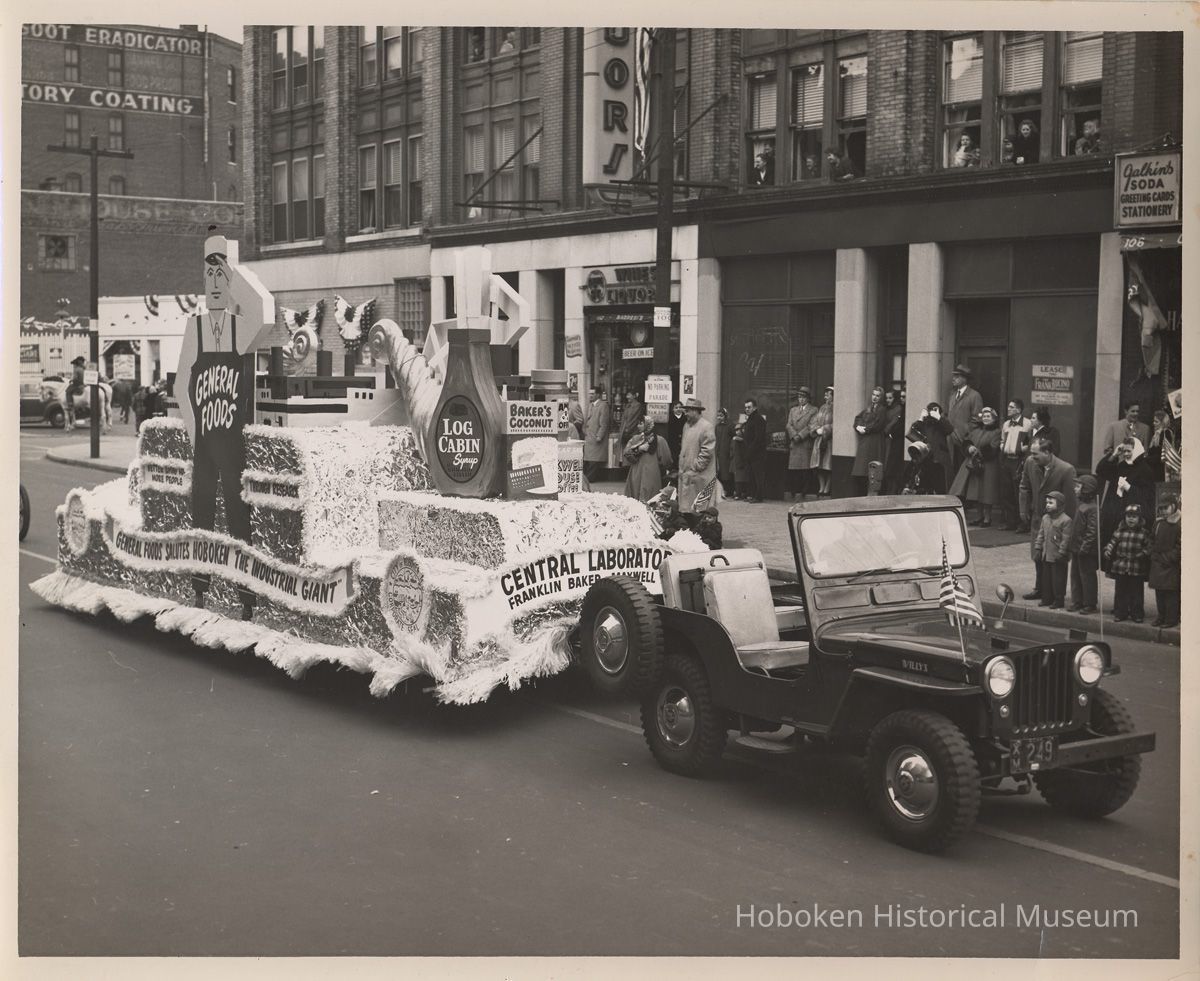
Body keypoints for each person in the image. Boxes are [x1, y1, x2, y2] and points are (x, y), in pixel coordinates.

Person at [175, 232, 274, 618]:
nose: (215, 285)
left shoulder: (240, 328)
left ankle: (246, 600)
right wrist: (194, 430)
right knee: (202, 516)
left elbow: (265, 311)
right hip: (205, 439)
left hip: (233, 440)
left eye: (222, 277)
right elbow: (181, 385)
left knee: (238, 519)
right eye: (209, 276)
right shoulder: (195, 328)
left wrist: (236, 272)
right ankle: (200, 591)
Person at [1018, 437, 1078, 601]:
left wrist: (1067, 525)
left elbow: (1071, 501)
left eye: (1035, 454)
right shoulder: (1030, 463)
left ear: (1047, 452)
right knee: (1038, 554)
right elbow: (1024, 486)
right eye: (1031, 453)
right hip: (1038, 518)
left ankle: (1055, 593)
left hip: (1058, 522)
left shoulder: (1066, 470)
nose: (1032, 456)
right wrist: (1023, 509)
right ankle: (1040, 588)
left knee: (1056, 557)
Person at [1095, 436, 1157, 551]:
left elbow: (1148, 497)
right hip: (1114, 515)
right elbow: (1101, 471)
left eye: (1129, 451)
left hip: (1130, 518)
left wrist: (1129, 488)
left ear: (1136, 450)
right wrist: (1114, 455)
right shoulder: (1121, 466)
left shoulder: (1145, 470)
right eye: (1124, 451)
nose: (1126, 454)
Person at [949, 407, 1002, 526]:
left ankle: (987, 518)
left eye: (988, 416)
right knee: (977, 492)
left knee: (987, 493)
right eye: (984, 416)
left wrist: (979, 451)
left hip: (988, 465)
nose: (986, 418)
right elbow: (967, 441)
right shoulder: (976, 431)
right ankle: (979, 516)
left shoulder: (996, 432)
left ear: (993, 418)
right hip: (975, 464)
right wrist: (969, 448)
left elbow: (994, 448)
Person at [1104, 504, 1151, 623]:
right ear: (1125, 517)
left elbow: (1149, 547)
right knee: (1121, 592)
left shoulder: (1144, 533)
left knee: (1137, 592)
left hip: (1136, 567)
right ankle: (1121, 613)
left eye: (1134, 516)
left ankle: (1137, 614)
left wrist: (1142, 554)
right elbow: (1112, 543)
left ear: (1139, 519)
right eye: (1129, 516)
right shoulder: (1119, 531)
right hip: (1121, 566)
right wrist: (1108, 550)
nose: (1131, 519)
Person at [677, 397, 721, 516]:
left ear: (696, 411)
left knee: (700, 508)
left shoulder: (706, 427)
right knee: (687, 508)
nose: (686, 414)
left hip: (699, 476)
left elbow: (707, 451)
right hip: (687, 474)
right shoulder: (686, 426)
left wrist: (695, 467)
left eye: (688, 411)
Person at [1067, 475, 1101, 615]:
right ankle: (1077, 601)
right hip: (1077, 548)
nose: (1075, 489)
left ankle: (1090, 603)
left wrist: (1085, 547)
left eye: (1078, 486)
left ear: (1086, 489)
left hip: (1086, 550)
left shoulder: (1092, 508)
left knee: (1087, 577)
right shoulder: (1082, 505)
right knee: (1075, 575)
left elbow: (1092, 531)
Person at [1034, 490, 1074, 609]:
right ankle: (1047, 598)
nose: (1047, 505)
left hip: (1058, 556)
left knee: (1058, 579)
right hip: (1047, 554)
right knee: (1046, 578)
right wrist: (1038, 547)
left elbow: (1066, 539)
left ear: (1060, 505)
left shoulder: (1066, 520)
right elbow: (1041, 534)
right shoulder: (1045, 518)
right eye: (1047, 502)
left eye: (1051, 503)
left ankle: (1058, 600)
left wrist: (1062, 552)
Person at [622, 414, 673, 503]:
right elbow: (626, 453)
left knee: (650, 500)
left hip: (651, 474)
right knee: (635, 497)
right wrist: (639, 449)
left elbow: (667, 460)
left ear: (648, 425)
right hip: (636, 473)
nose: (638, 426)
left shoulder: (659, 440)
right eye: (638, 424)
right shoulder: (636, 439)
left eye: (641, 423)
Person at [999, 399, 1032, 531]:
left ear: (1018, 410)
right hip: (1007, 460)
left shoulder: (1028, 424)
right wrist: (1003, 447)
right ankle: (1010, 522)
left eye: (1011, 407)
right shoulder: (1006, 424)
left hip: (1019, 460)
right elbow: (1002, 439)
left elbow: (1030, 442)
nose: (1008, 409)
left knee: (1018, 491)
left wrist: (1023, 450)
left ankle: (1022, 523)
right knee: (1007, 492)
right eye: (1009, 406)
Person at [1149, 492, 1181, 628]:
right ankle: (1161, 616)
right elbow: (1151, 539)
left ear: (1173, 506)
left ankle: (1171, 619)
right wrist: (1152, 552)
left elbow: (1180, 546)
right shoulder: (1158, 523)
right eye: (1160, 508)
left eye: (1165, 507)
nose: (1162, 511)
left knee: (1171, 594)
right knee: (1159, 593)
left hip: (1170, 565)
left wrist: (1168, 558)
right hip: (1157, 563)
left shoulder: (1179, 524)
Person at [906, 402, 954, 494]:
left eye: (935, 409)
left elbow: (949, 429)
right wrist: (921, 418)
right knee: (926, 487)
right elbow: (912, 432)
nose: (932, 412)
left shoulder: (942, 422)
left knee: (941, 487)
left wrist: (939, 417)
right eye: (930, 410)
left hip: (939, 460)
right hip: (926, 459)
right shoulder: (925, 423)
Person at [946, 363, 983, 476]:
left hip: (965, 442)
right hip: (951, 440)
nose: (953, 379)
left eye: (957, 376)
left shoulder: (974, 396)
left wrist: (966, 433)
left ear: (964, 379)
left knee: (963, 473)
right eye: (954, 376)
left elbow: (977, 419)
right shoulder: (952, 395)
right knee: (951, 470)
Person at [851, 386, 888, 496]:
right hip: (865, 441)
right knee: (861, 471)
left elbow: (878, 424)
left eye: (877, 395)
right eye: (873, 395)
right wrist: (857, 427)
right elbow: (858, 418)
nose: (875, 397)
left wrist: (865, 429)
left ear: (881, 398)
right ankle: (861, 495)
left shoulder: (882, 410)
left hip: (874, 441)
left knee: (872, 470)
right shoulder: (868, 408)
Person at [786, 387, 818, 501]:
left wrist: (800, 436)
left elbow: (811, 425)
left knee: (804, 470)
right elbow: (789, 424)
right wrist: (794, 435)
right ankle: (794, 491)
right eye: (799, 397)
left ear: (808, 398)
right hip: (794, 443)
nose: (801, 399)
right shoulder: (793, 410)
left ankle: (804, 492)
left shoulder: (813, 410)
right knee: (794, 470)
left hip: (805, 443)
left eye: (803, 397)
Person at [582, 386, 610, 483]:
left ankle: (589, 479)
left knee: (593, 460)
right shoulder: (591, 405)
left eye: (592, 393)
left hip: (595, 437)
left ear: (598, 395)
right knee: (588, 459)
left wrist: (599, 436)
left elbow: (604, 423)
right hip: (589, 436)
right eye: (589, 393)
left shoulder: (603, 406)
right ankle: (586, 479)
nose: (590, 395)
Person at [810, 387, 834, 497]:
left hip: (829, 441)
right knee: (818, 465)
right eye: (825, 395)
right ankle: (821, 486)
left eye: (828, 395)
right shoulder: (822, 407)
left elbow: (837, 423)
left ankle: (827, 487)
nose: (825, 397)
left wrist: (825, 429)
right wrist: (816, 429)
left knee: (827, 466)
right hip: (819, 440)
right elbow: (814, 421)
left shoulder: (835, 408)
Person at [742, 396, 767, 503]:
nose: (747, 409)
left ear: (755, 408)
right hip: (751, 452)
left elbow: (758, 438)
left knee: (758, 476)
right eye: (746, 407)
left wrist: (750, 451)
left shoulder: (758, 419)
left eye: (749, 407)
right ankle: (752, 495)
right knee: (752, 475)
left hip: (757, 453)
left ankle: (758, 497)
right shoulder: (750, 419)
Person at [882, 389, 906, 494]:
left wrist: (888, 431)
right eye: (886, 398)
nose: (888, 400)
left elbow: (894, 423)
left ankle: (892, 491)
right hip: (889, 440)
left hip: (895, 441)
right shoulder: (887, 409)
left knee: (892, 467)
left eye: (890, 398)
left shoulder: (899, 409)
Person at [1145, 409, 1176, 482]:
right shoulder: (1157, 435)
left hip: (1161, 469)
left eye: (1156, 421)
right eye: (1154, 421)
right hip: (1154, 468)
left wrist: (1146, 459)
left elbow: (1163, 454)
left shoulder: (1166, 433)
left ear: (1163, 423)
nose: (1153, 423)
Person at [714, 407, 735, 497]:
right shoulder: (717, 427)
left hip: (726, 452)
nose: (719, 418)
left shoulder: (730, 426)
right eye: (718, 416)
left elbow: (733, 438)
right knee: (720, 472)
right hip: (719, 452)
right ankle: (721, 490)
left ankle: (728, 491)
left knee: (726, 473)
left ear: (725, 416)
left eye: (721, 416)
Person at [731, 416, 750, 500]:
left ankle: (742, 493)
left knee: (742, 478)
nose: (738, 432)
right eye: (736, 430)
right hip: (737, 462)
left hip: (742, 462)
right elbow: (732, 451)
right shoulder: (735, 440)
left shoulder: (743, 441)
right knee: (738, 479)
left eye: (739, 430)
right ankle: (738, 493)